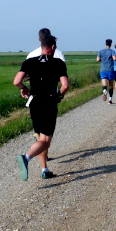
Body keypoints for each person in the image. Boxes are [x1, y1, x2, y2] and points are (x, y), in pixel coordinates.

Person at [14, 35, 69, 181]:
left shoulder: (29, 62)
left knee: (40, 137)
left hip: (34, 102)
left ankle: (45, 169)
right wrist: (59, 96)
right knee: (46, 140)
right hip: (49, 102)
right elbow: (65, 86)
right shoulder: (58, 63)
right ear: (52, 47)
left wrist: (24, 88)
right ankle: (26, 158)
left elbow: (17, 81)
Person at [26, 28, 65, 141]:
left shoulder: (31, 55)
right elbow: (62, 75)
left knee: (38, 125)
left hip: (34, 95)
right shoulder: (58, 53)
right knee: (48, 129)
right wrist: (60, 94)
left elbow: (26, 76)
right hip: (51, 94)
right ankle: (39, 151)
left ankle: (38, 140)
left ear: (39, 39)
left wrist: (24, 87)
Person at [97, 39, 116, 104]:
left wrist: (102, 60)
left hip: (103, 70)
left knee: (104, 83)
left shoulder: (101, 51)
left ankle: (104, 90)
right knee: (110, 85)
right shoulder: (112, 51)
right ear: (111, 44)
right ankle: (110, 100)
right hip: (110, 70)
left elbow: (97, 59)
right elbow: (114, 58)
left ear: (105, 43)